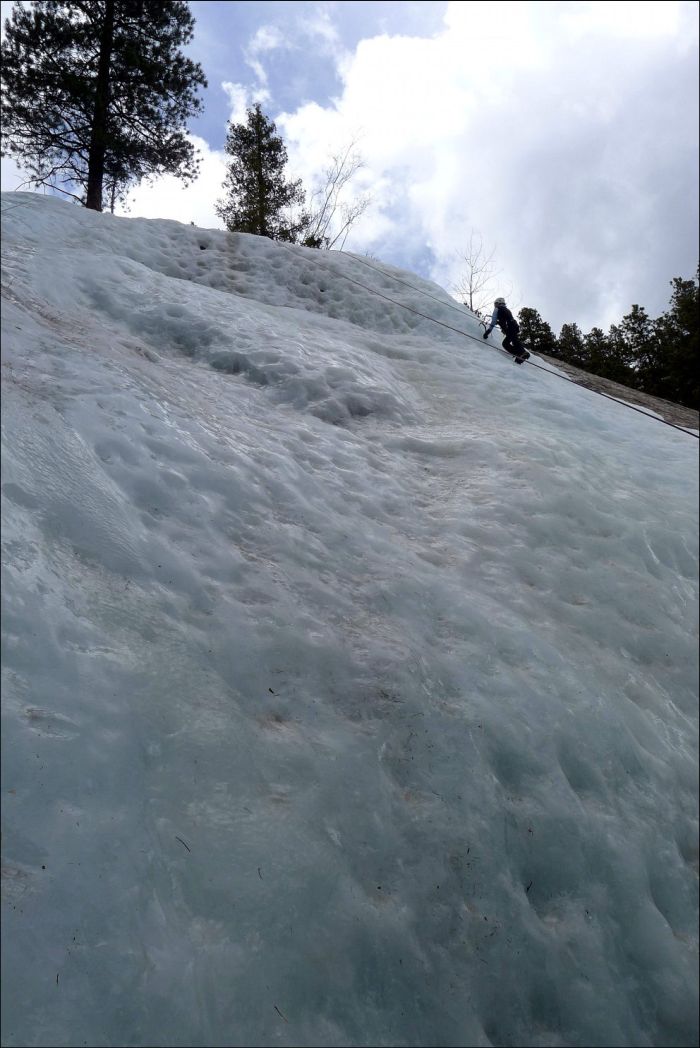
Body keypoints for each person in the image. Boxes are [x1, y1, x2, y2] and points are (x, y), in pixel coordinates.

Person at [483, 297, 530, 363]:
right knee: (507, 343)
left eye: (495, 303)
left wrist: (488, 331)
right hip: (514, 326)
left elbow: (493, 321)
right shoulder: (506, 309)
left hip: (510, 327)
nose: (495, 305)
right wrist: (499, 322)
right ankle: (519, 354)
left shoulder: (497, 308)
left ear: (498, 303)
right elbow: (505, 319)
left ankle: (523, 353)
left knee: (512, 341)